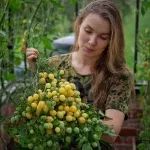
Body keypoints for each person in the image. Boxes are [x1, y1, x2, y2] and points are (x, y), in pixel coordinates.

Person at [26, 0, 134, 149]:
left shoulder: (118, 75)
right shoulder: (53, 65)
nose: (92, 41)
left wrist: (65, 115)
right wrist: (36, 73)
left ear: (112, 40)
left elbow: (110, 133)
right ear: (78, 25)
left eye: (103, 37)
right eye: (88, 31)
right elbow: (36, 117)